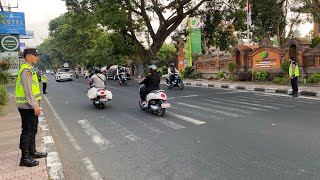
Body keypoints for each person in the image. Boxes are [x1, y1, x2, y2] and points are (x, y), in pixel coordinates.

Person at [15, 48, 47, 167]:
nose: (37, 57)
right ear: (28, 56)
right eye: (35, 55)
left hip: (30, 106)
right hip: (27, 106)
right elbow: (28, 91)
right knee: (28, 131)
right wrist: (35, 106)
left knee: (33, 129)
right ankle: (25, 157)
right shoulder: (26, 70)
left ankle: (32, 152)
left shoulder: (29, 69)